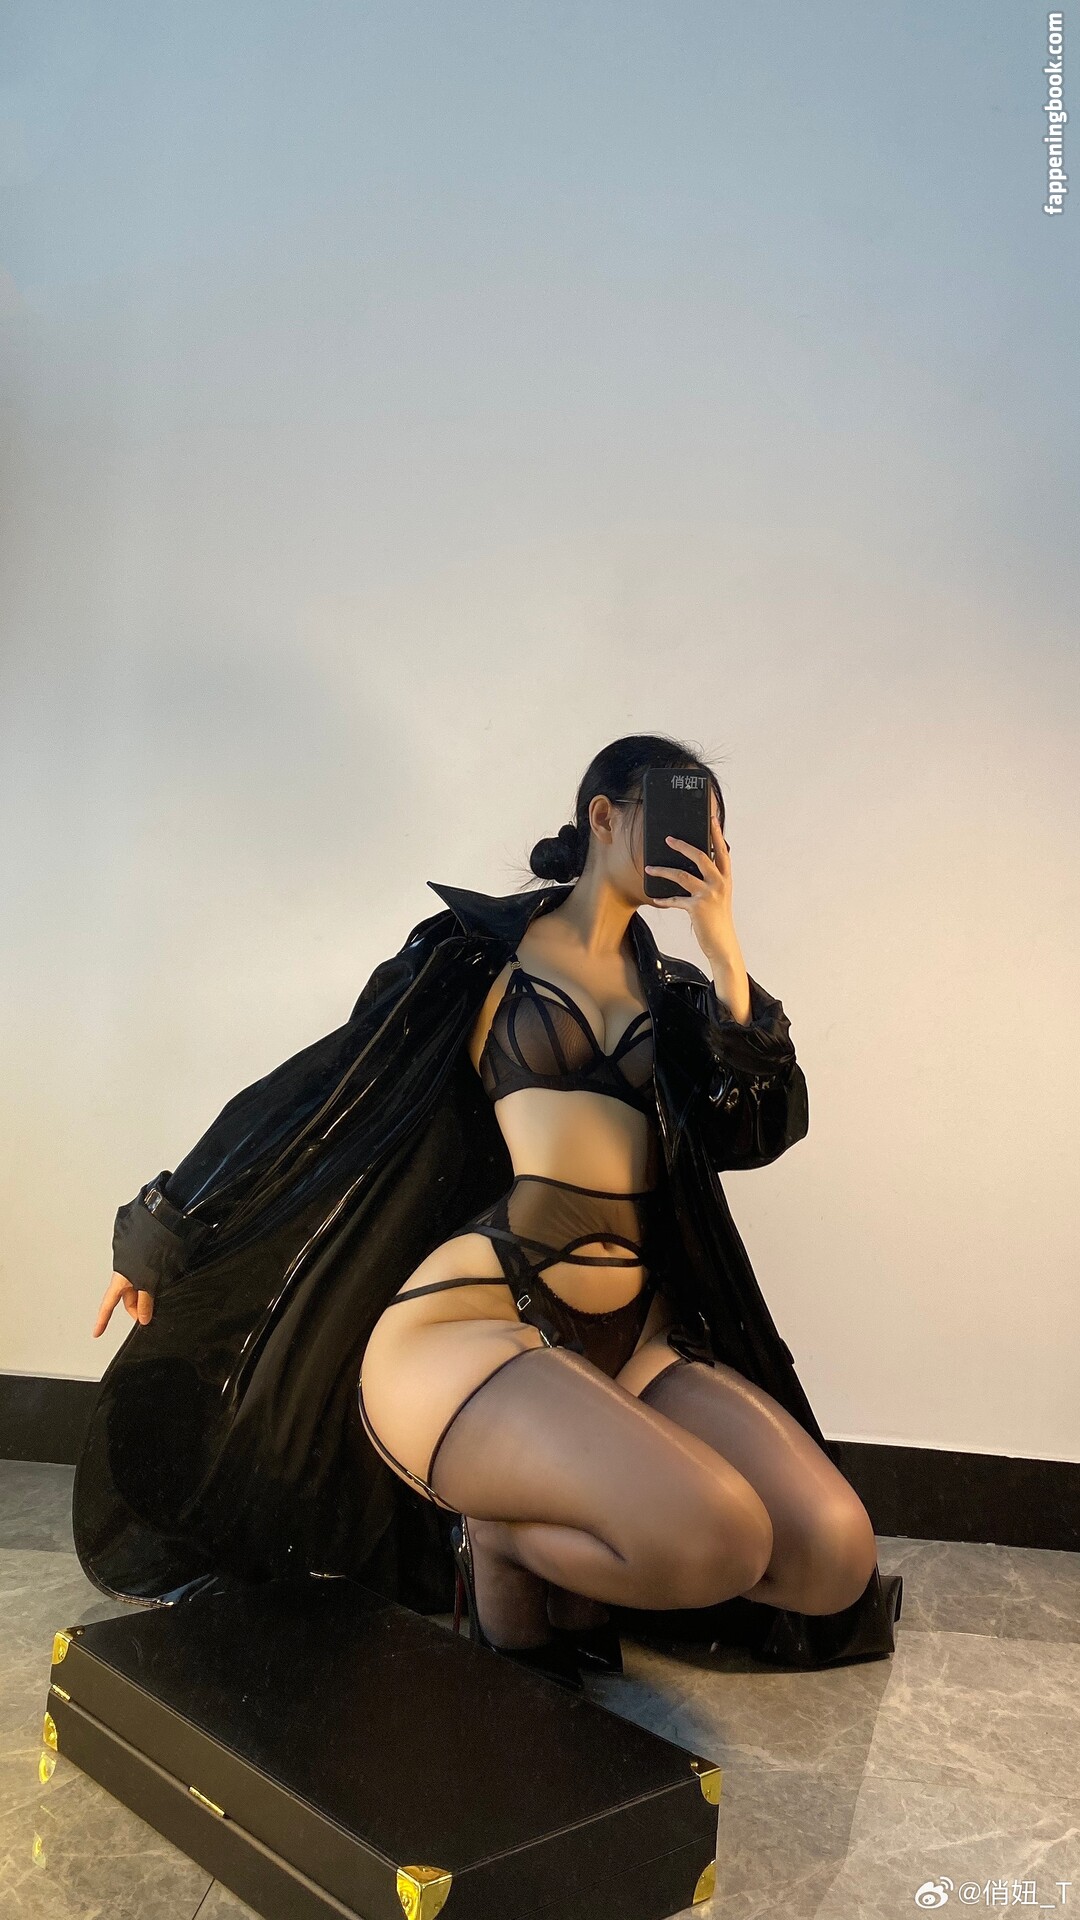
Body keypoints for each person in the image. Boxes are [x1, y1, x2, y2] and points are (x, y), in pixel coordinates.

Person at [85, 734, 901, 1682]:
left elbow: (752, 1130)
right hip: (480, 1317)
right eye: (683, 817)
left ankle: (530, 1538)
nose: (703, 850)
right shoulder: (476, 959)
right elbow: (317, 1094)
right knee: (721, 1540)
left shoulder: (683, 1002)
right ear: (605, 816)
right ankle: (499, 1544)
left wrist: (725, 956)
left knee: (832, 1556)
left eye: (718, 837)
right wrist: (163, 1228)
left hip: (635, 1337)